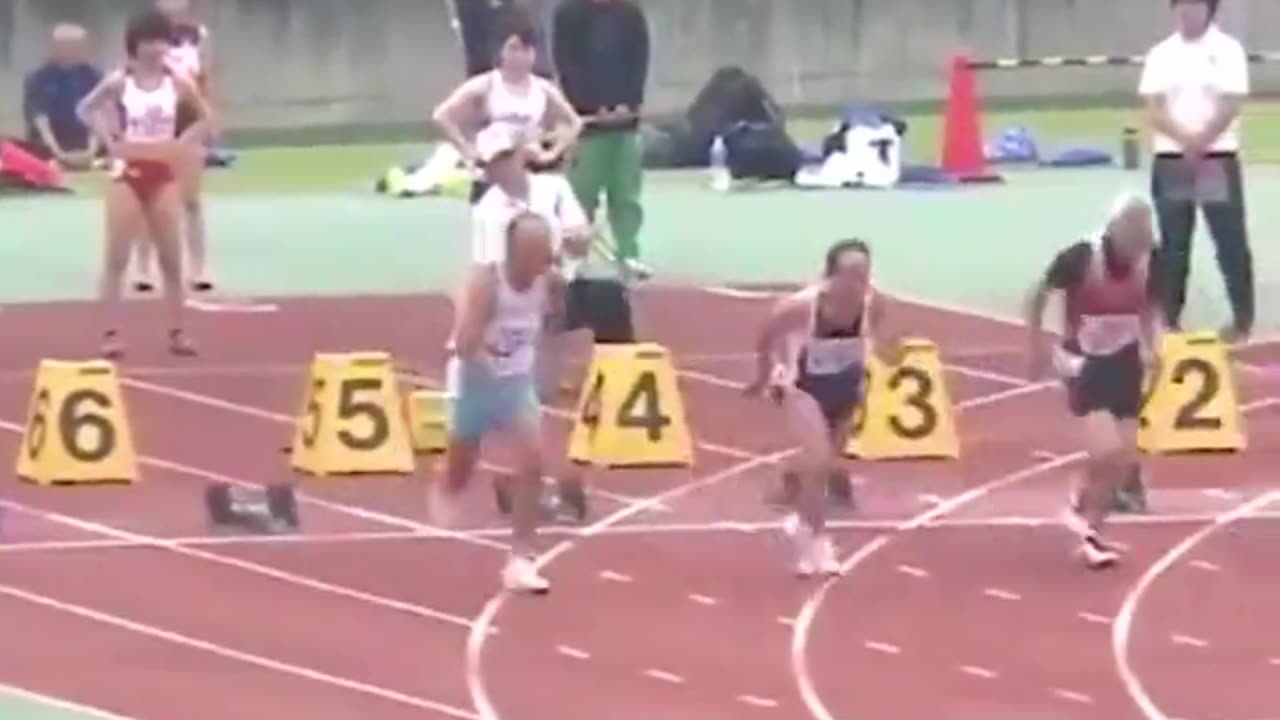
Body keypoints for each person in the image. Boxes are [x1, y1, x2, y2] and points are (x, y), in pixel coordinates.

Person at [745, 239, 901, 577]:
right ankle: (815, 543)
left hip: (845, 388)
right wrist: (762, 376)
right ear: (832, 275)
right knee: (817, 459)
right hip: (803, 388)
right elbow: (767, 333)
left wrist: (891, 354)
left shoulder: (874, 305)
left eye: (864, 272)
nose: (858, 280)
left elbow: (881, 343)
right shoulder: (804, 307)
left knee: (827, 466)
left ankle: (800, 513)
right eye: (850, 272)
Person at [1026, 193, 1164, 569]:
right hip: (1083, 363)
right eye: (1134, 237)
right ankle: (1084, 512)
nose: (1139, 246)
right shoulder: (1082, 257)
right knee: (1108, 451)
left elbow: (1152, 306)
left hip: (1125, 363)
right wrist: (1037, 344)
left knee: (1123, 459)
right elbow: (1039, 294)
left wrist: (1153, 346)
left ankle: (1091, 528)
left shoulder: (1151, 260)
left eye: (1144, 238)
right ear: (1115, 230)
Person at [430, 211, 559, 593]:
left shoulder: (550, 285)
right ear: (517, 254)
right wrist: (492, 360)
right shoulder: (488, 285)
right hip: (477, 382)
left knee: (533, 462)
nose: (547, 260)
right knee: (460, 469)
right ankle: (446, 487)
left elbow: (553, 328)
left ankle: (521, 559)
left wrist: (545, 372)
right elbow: (467, 343)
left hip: (516, 384)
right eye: (539, 253)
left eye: (547, 252)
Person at [77, 10, 212, 358]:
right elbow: (86, 109)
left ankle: (178, 331)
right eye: (148, 41)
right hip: (127, 170)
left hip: (162, 171)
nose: (155, 48)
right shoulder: (119, 81)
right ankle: (110, 332)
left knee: (171, 257)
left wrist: (181, 145)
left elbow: (207, 118)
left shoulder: (178, 82)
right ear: (134, 45)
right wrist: (110, 140)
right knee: (117, 256)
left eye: (160, 41)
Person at [1139, 0, 1252, 343]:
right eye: (1181, 5)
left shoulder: (1228, 50)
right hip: (1173, 159)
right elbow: (1154, 108)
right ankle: (1169, 319)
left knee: (1229, 241)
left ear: (1210, 9)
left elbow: (1231, 103)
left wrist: (1201, 141)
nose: (1188, 11)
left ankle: (1242, 320)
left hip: (1216, 158)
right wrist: (1184, 140)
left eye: (1196, 5)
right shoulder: (1160, 54)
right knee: (1174, 244)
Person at [432, 6, 582, 204]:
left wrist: (552, 154)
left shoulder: (543, 89)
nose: (520, 56)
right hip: (492, 176)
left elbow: (574, 122)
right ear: (500, 51)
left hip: (529, 174)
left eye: (526, 50)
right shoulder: (486, 85)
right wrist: (469, 152)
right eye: (513, 49)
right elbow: (441, 116)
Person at [552, 0, 651, 279]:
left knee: (627, 196)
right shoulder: (568, 13)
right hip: (587, 123)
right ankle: (576, 256)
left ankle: (628, 254)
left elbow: (639, 62)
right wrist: (591, 105)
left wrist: (628, 103)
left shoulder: (630, 13)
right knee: (582, 194)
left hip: (625, 122)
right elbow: (567, 65)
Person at [132, 0, 216, 293]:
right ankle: (144, 268)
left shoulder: (197, 34)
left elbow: (203, 76)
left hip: (186, 116)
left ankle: (198, 268)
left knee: (190, 199)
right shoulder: (141, 33)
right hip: (154, 113)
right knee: (148, 195)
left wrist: (207, 119)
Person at [21, 24, 103, 170]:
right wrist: (58, 152)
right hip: (50, 144)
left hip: (86, 143)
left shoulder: (94, 77)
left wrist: (91, 151)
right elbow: (40, 120)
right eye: (70, 46)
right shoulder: (38, 79)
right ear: (54, 48)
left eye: (82, 46)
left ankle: (93, 160)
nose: (78, 51)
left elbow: (99, 117)